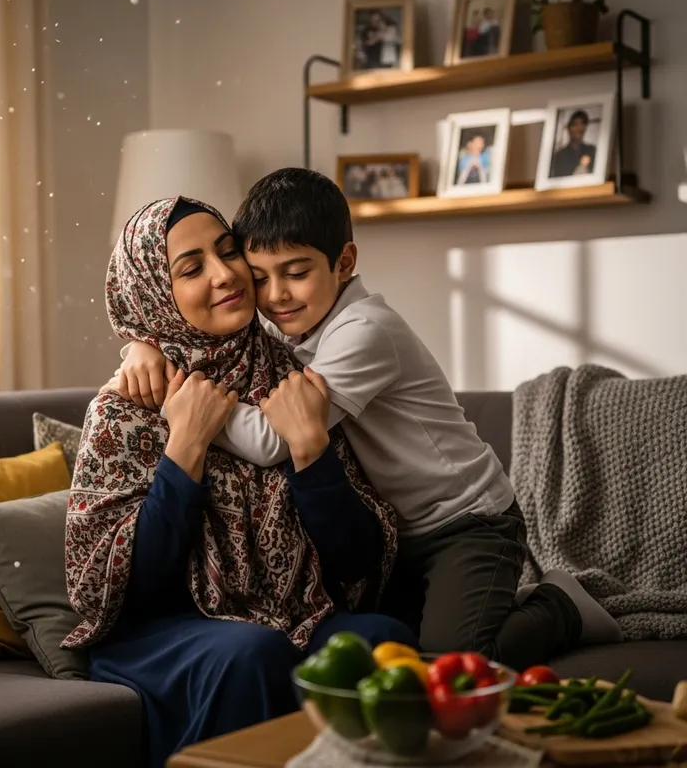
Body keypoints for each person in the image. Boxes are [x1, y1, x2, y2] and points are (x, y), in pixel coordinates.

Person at [111, 171, 625, 673]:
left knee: (452, 667)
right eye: (260, 277)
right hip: (402, 536)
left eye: (296, 272)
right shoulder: (294, 324)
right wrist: (143, 343)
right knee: (389, 650)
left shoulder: (364, 333)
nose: (275, 296)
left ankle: (561, 606)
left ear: (344, 262)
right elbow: (183, 322)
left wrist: (181, 405)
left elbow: (275, 439)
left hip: (467, 521)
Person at [63, 197, 417, 768]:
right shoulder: (126, 407)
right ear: (156, 292)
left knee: (380, 640)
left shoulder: (295, 375)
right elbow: (129, 588)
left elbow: (357, 560)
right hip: (162, 631)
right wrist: (184, 451)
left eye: (229, 252)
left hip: (291, 615)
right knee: (251, 651)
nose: (226, 274)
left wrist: (310, 454)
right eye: (191, 267)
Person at [550, 110, 597, 178]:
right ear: (569, 128)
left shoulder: (592, 150)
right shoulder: (559, 156)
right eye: (575, 124)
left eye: (582, 124)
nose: (579, 128)